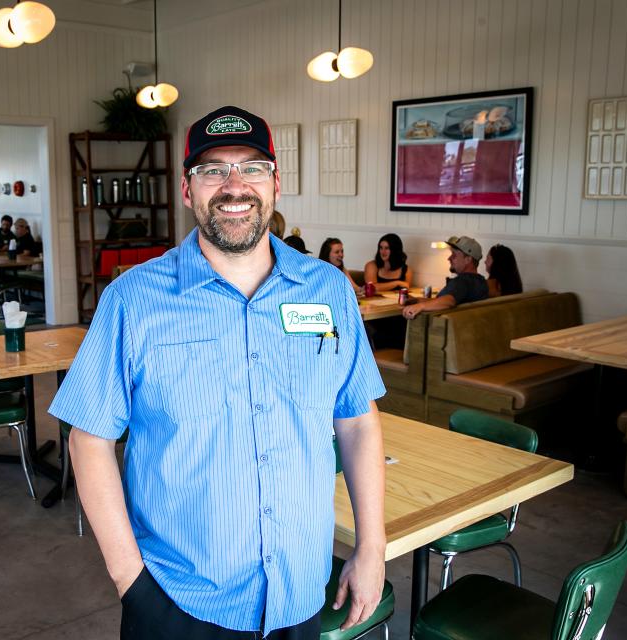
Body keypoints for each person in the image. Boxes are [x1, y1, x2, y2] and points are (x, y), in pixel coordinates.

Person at [49, 105, 386, 640]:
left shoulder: (329, 290)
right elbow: (89, 440)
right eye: (212, 171)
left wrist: (371, 547)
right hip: (179, 599)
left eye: (251, 167)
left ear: (276, 183)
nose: (234, 186)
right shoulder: (133, 300)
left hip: (298, 592)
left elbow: (358, 421)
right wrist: (130, 582)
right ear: (188, 189)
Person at [402, 235, 489, 320]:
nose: (449, 258)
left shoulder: (462, 281)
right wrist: (417, 301)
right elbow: (445, 300)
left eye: (454, 255)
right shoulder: (481, 281)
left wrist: (420, 306)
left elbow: (449, 301)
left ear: (468, 260)